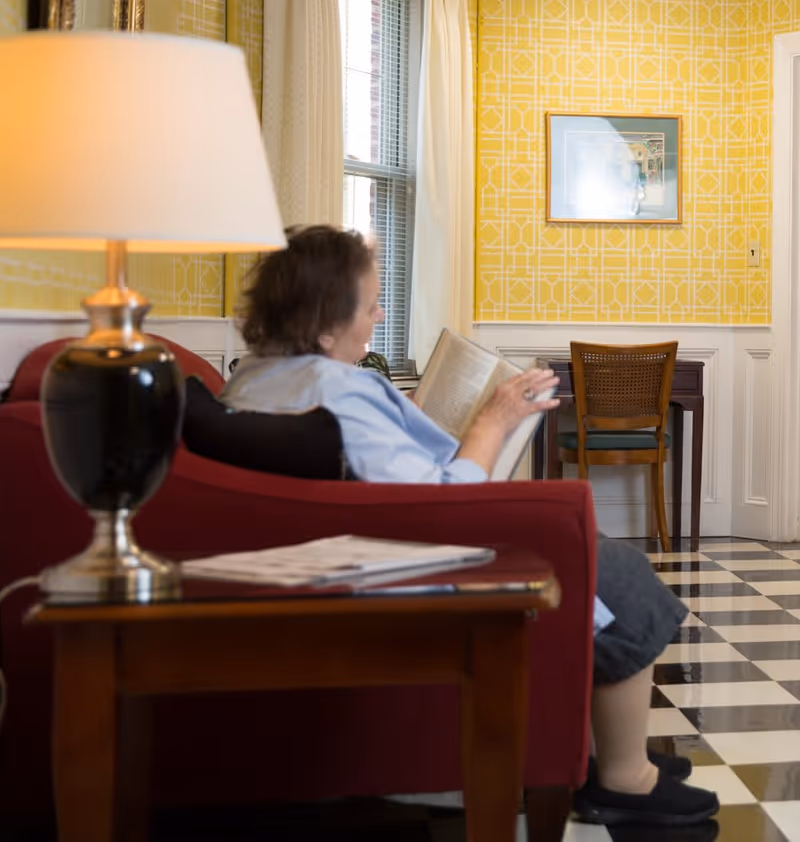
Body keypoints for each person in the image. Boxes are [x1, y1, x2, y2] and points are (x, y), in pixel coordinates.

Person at [221, 226, 717, 828]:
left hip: (357, 549)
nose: (379, 316)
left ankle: (592, 757)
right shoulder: (337, 395)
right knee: (612, 564)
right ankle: (623, 777)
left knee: (595, 551)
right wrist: (495, 420)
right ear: (325, 326)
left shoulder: (255, 378)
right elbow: (440, 510)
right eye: (371, 304)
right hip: (414, 561)